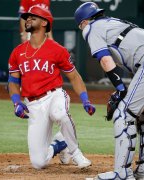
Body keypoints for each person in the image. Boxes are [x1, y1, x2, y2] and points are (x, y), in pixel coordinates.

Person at [74, 2, 144, 180]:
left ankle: (122, 173)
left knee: (123, 115)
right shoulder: (114, 22)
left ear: (83, 22)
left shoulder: (91, 28)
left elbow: (105, 61)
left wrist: (120, 88)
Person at [7, 6, 95, 170]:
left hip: (54, 95)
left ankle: (76, 154)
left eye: (33, 17)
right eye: (27, 17)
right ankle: (60, 143)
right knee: (38, 163)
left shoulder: (57, 50)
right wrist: (16, 102)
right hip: (33, 105)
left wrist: (85, 100)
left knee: (60, 114)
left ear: (45, 23)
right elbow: (13, 81)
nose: (28, 19)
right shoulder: (17, 52)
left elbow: (74, 76)